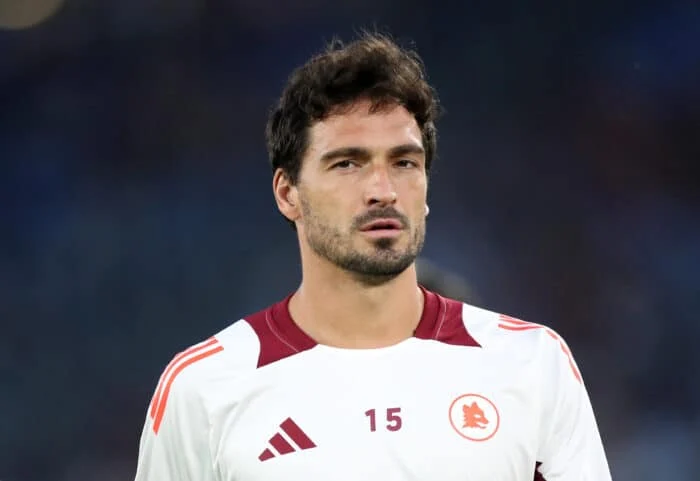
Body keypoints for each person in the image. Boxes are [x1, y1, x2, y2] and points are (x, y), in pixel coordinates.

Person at [133, 31, 612, 481]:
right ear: (287, 193)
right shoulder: (204, 388)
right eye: (347, 163)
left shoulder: (531, 365)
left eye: (404, 162)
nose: (383, 190)